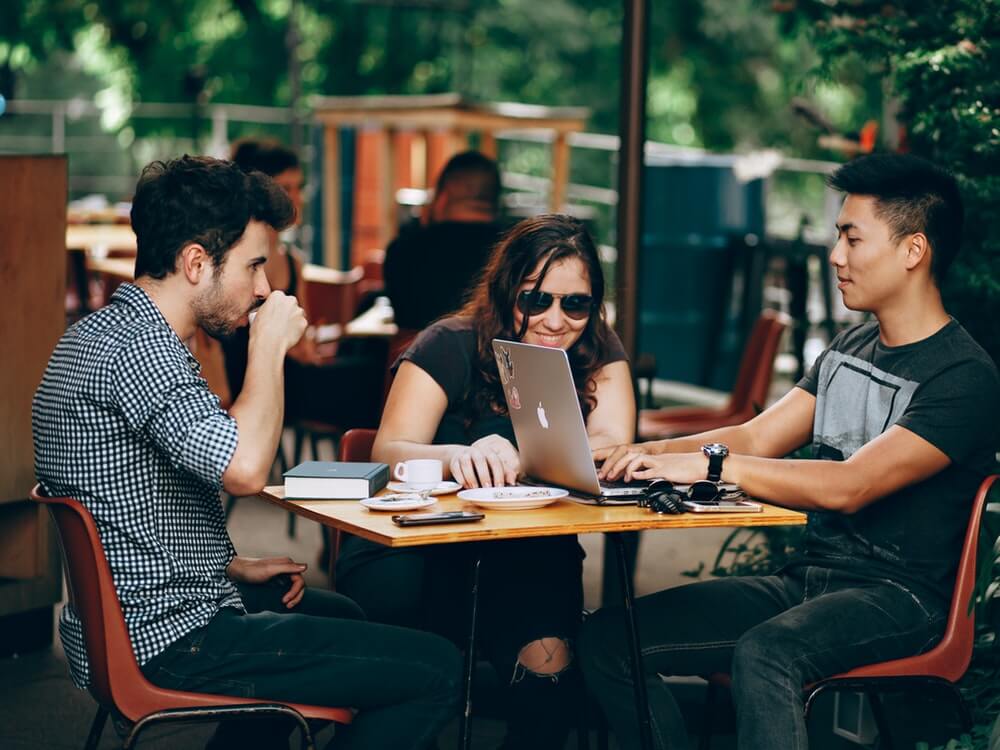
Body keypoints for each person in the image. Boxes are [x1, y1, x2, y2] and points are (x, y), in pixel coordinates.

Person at [32, 155, 461, 750]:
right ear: (195, 263)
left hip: (127, 620)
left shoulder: (97, 334)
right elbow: (246, 470)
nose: (264, 288)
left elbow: (125, 503)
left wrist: (225, 566)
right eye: (255, 265)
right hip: (170, 637)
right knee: (438, 669)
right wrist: (267, 347)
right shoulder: (142, 352)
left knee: (345, 617)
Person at [579, 153, 1000, 750]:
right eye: (838, 237)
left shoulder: (962, 376)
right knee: (609, 640)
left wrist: (709, 464)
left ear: (913, 250)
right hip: (808, 582)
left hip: (902, 599)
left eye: (853, 238)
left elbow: (851, 485)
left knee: (767, 653)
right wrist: (638, 453)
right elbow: (756, 437)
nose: (836, 256)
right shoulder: (851, 346)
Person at [336, 214, 636, 750]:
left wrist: (527, 456)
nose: (555, 320)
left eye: (576, 303)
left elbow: (611, 444)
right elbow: (387, 451)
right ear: (506, 292)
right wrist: (460, 456)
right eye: (535, 300)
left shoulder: (595, 348)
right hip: (422, 547)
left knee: (550, 684)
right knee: (420, 674)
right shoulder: (448, 343)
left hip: (526, 552)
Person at [222, 138, 383, 429]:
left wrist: (309, 344)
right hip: (257, 378)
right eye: (286, 188)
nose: (297, 198)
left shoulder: (293, 262)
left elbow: (303, 341)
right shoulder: (232, 258)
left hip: (292, 374)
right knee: (375, 375)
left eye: (299, 187)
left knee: (374, 360)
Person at [383, 150, 506, 330]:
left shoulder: (403, 249)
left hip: (417, 347)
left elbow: (402, 318)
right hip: (489, 348)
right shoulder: (513, 250)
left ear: (442, 197)